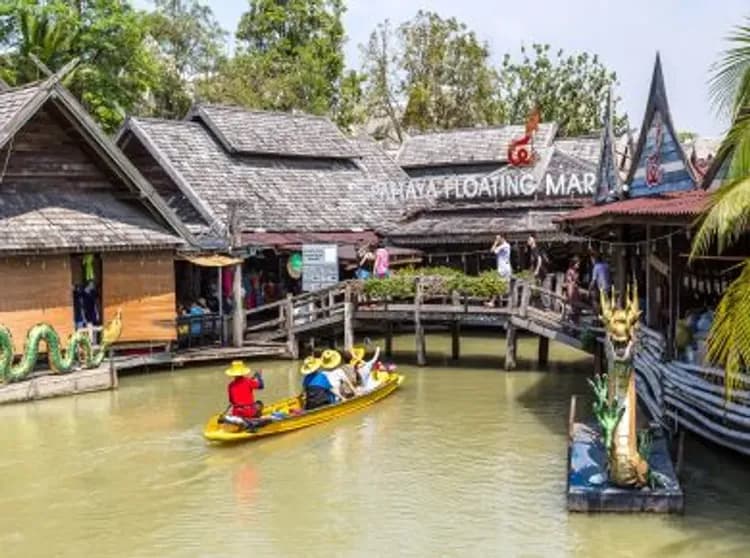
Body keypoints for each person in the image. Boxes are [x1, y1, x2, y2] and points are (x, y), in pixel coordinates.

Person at [528, 234, 551, 308]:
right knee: (535, 288)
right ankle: (536, 304)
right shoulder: (532, 250)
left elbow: (539, 260)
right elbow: (533, 262)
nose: (528, 241)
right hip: (540, 274)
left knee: (545, 291)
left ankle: (547, 307)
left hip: (543, 272)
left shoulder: (535, 249)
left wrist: (537, 270)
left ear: (534, 240)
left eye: (529, 239)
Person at [564, 256, 581, 325]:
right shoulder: (569, 271)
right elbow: (569, 283)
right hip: (571, 291)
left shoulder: (576, 272)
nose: (578, 265)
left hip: (575, 292)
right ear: (573, 264)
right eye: (577, 264)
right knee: (571, 309)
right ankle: (568, 325)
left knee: (576, 309)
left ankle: (575, 324)